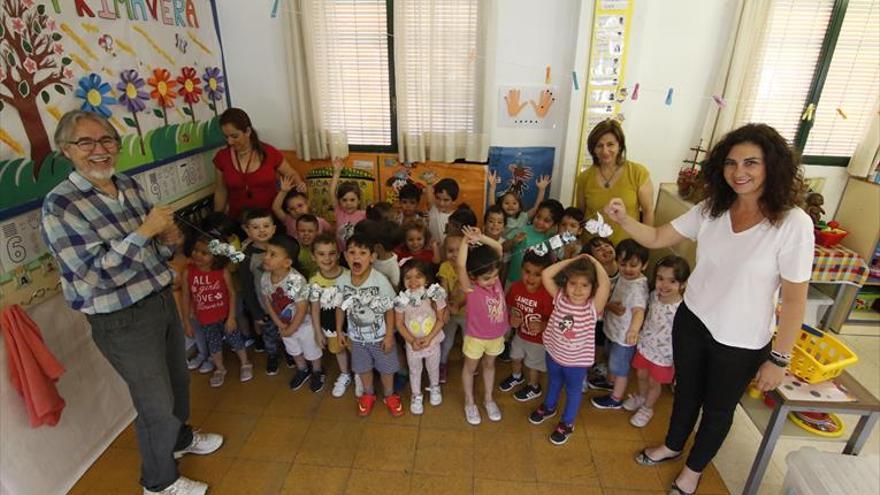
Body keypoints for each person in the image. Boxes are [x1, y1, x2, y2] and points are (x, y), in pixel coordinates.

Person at [604, 123, 812, 495]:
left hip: (741, 340)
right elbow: (655, 237)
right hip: (693, 321)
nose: (739, 172)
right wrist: (622, 219)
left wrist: (779, 360)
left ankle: (695, 469)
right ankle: (672, 445)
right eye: (731, 163)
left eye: (751, 163)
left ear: (773, 166)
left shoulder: (793, 223)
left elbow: (796, 299)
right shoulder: (712, 209)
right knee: (685, 394)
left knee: (717, 410)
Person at [40, 110, 221, 495]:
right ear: (66, 150)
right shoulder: (61, 207)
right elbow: (97, 274)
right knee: (153, 401)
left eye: (107, 140)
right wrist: (146, 232)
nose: (99, 150)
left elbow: (153, 249)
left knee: (178, 378)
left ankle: (179, 439)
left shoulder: (128, 185)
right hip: (120, 317)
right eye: (86, 142)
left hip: (158, 298)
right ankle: (158, 483)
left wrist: (168, 239)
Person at [528, 254, 610, 445]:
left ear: (592, 288)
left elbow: (605, 286)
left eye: (585, 285)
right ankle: (549, 407)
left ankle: (567, 423)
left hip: (576, 362)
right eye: (573, 283)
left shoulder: (593, 308)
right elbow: (547, 274)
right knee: (554, 382)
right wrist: (574, 260)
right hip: (554, 353)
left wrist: (593, 260)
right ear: (565, 284)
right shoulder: (560, 297)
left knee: (573, 391)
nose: (578, 290)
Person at [336, 232, 403, 417]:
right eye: (352, 252)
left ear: (372, 257)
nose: (356, 257)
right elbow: (340, 307)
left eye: (363, 253)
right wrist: (340, 331)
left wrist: (390, 335)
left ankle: (389, 395)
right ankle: (368, 394)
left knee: (387, 368)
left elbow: (390, 309)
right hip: (356, 339)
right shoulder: (342, 280)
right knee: (362, 367)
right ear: (345, 255)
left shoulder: (379, 280)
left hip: (380, 337)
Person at [625, 255, 691, 428]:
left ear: (682, 284)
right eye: (660, 279)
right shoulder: (653, 295)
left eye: (672, 281)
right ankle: (641, 396)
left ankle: (647, 408)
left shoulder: (683, 308)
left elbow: (684, 336)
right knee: (640, 375)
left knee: (655, 382)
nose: (664, 285)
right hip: (645, 346)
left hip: (664, 355)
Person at [181, 235, 253, 388]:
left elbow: (232, 293)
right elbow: (186, 297)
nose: (197, 255)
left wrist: (232, 317)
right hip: (205, 319)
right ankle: (220, 369)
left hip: (226, 316)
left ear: (216, 257)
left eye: (204, 253)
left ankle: (245, 363)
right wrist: (186, 321)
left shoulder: (222, 271)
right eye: (195, 250)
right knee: (213, 345)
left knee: (236, 340)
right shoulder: (188, 272)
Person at [213, 108, 305, 221]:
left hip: (270, 220)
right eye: (226, 137)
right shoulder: (222, 157)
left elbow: (291, 174)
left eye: (234, 136)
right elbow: (221, 191)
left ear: (247, 131)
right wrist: (216, 218)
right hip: (239, 221)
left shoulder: (269, 152)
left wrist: (300, 184)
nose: (230, 142)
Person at [260, 234, 325, 392]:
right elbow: (268, 301)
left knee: (312, 351)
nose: (266, 257)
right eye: (267, 252)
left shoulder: (296, 280)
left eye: (273, 254)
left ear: (287, 262)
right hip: (284, 325)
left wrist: (291, 328)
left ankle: (317, 371)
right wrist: (280, 324)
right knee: (293, 349)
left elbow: (302, 309)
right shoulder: (265, 277)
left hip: (304, 325)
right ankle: (302, 369)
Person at [456, 226, 507, 425]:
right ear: (473, 277)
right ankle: (470, 401)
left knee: (489, 365)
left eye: (495, 275)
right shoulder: (470, 287)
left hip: (496, 336)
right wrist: (465, 241)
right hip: (475, 338)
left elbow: (498, 249)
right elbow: (461, 266)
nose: (493, 280)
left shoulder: (495, 281)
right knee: (470, 368)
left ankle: (488, 398)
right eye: (487, 278)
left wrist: (481, 237)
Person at [591, 239, 649, 410]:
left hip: (624, 336)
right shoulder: (624, 277)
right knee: (611, 360)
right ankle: (609, 382)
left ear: (644, 265)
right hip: (615, 329)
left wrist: (633, 330)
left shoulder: (638, 287)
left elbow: (639, 311)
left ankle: (616, 398)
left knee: (620, 368)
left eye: (633, 265)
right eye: (623, 264)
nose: (628, 269)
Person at [575, 118, 654, 244]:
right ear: (593, 149)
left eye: (610, 144)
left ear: (620, 145)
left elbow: (648, 212)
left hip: (626, 251)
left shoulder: (638, 173)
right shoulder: (584, 177)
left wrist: (645, 245)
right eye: (599, 146)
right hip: (592, 248)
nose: (605, 151)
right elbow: (580, 214)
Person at [498, 251, 554, 402]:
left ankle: (534, 386)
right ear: (521, 269)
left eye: (537, 274)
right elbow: (507, 307)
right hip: (520, 335)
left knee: (532, 365)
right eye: (527, 272)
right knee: (514, 357)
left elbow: (556, 320)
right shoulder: (516, 287)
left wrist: (543, 324)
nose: (530, 277)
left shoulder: (548, 295)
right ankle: (517, 377)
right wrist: (510, 318)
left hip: (539, 341)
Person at [394, 260, 447, 414]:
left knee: (433, 367)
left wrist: (429, 338)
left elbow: (440, 319)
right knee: (415, 370)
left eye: (418, 276)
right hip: (413, 344)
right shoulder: (401, 300)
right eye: (408, 277)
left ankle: (435, 387)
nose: (413, 281)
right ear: (402, 280)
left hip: (432, 341)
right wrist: (411, 341)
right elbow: (399, 324)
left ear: (427, 279)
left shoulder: (434, 295)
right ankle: (416, 395)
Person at [488, 171, 551, 237]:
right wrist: (492, 188)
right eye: (507, 203)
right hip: (505, 245)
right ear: (501, 205)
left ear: (519, 206)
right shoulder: (500, 218)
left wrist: (542, 189)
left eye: (514, 203)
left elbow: (536, 208)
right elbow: (492, 208)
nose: (510, 206)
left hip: (521, 245)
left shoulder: (523, 216)